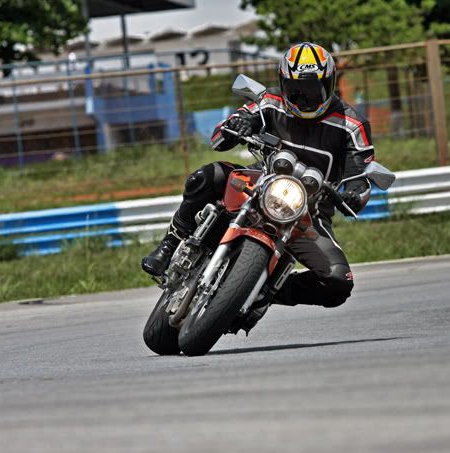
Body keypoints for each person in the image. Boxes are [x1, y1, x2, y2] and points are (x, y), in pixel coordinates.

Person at [142, 42, 374, 309]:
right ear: (283, 82)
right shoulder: (269, 101)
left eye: (314, 89)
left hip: (309, 213)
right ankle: (170, 244)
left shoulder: (351, 125)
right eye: (297, 90)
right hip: (258, 184)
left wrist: (355, 194)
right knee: (206, 177)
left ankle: (268, 291)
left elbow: (361, 175)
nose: (306, 97)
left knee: (338, 282)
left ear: (330, 83)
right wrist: (236, 125)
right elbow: (219, 137)